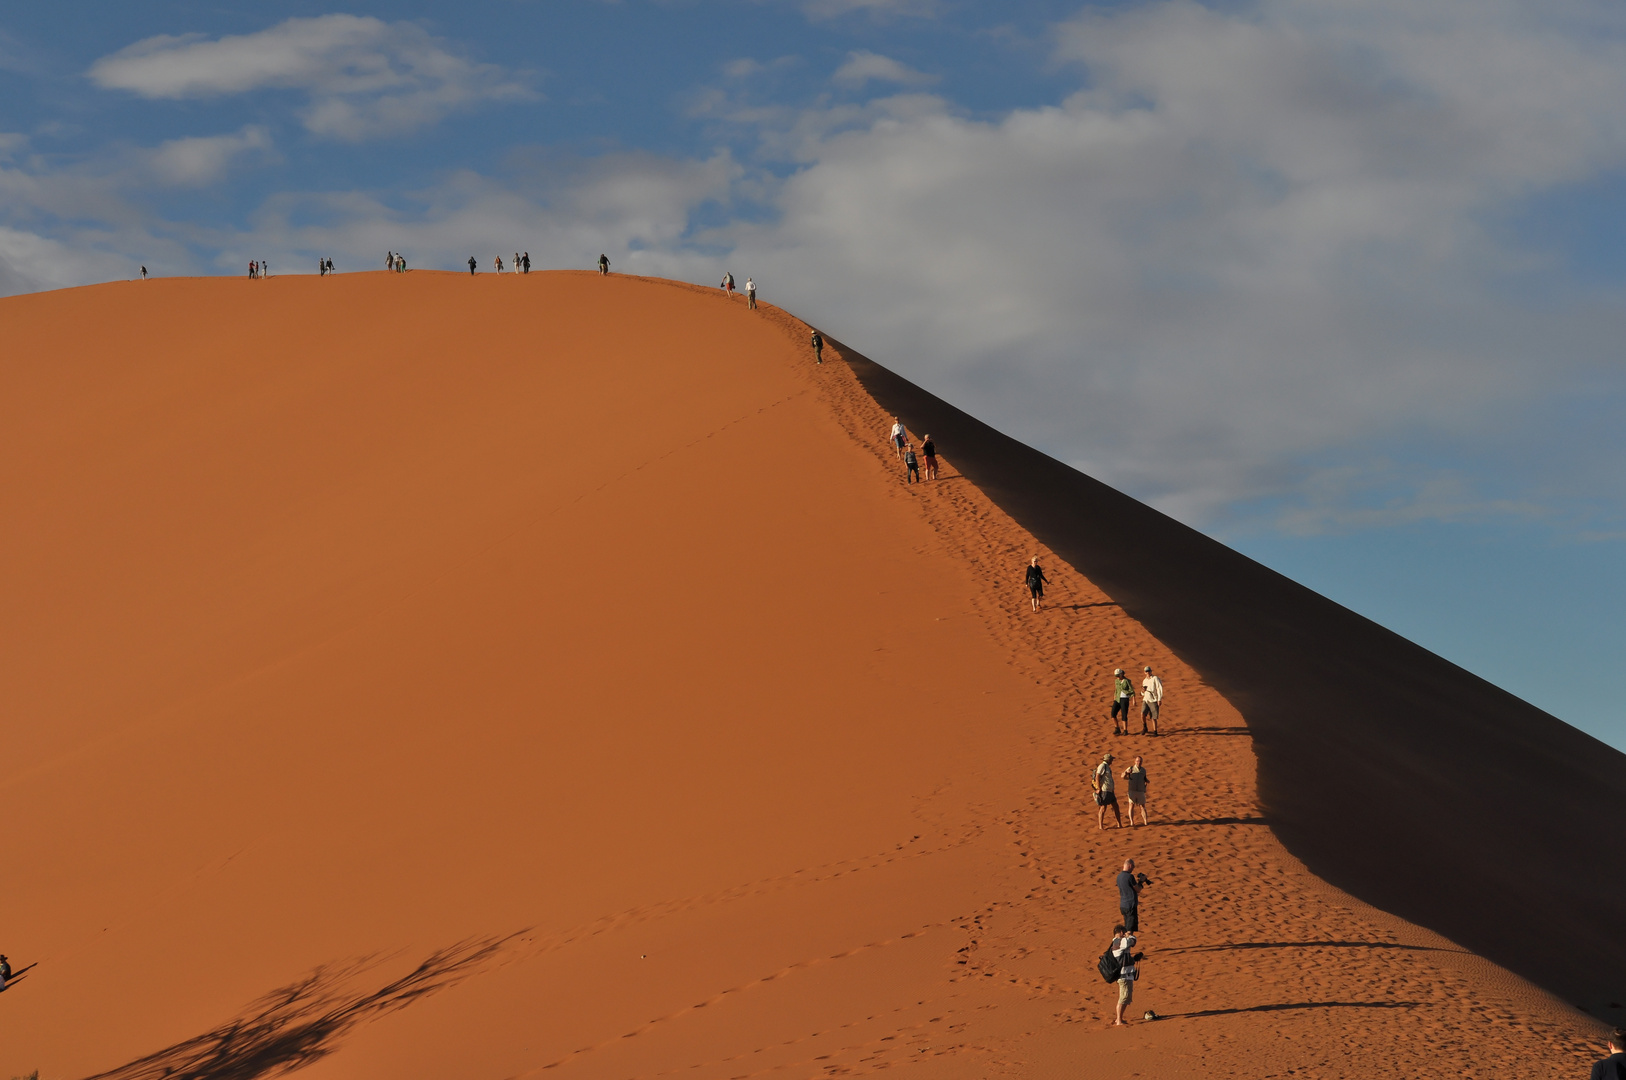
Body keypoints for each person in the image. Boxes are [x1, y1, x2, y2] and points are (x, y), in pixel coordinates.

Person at [1110, 925, 1140, 1026]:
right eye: (1125, 932)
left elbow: (1124, 959)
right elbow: (1131, 942)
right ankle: (1119, 1020)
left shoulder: (1118, 943)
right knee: (1123, 998)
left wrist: (1134, 959)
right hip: (1124, 976)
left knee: (1125, 997)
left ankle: (1119, 1019)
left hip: (1126, 975)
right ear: (1122, 932)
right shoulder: (1118, 942)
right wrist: (1130, 935)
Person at [1091, 753, 1122, 830]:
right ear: (1108, 760)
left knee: (1116, 806)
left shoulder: (1107, 767)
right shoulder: (1102, 766)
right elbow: (1097, 776)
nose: (1112, 761)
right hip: (1105, 790)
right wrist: (1098, 788)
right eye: (1111, 759)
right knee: (1103, 807)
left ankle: (1119, 824)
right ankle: (1101, 826)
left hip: (1110, 791)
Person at [1117, 858, 1144, 931]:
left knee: (1127, 926)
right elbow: (1138, 889)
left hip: (1123, 905)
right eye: (1133, 867)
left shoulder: (1119, 877)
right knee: (1129, 930)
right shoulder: (1130, 876)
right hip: (1130, 906)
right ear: (1130, 865)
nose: (1133, 869)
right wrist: (1141, 882)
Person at [1123, 754, 1149, 826]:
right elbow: (1122, 776)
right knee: (1131, 805)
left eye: (1140, 761)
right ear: (1135, 761)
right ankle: (1132, 822)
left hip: (1140, 790)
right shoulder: (1130, 768)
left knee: (1142, 806)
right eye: (1137, 761)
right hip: (1132, 790)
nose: (1139, 762)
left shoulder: (1143, 770)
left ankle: (1145, 821)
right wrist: (1126, 772)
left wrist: (1146, 783)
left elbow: (1144, 778)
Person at [1111, 669, 1136, 735]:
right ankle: (1117, 728)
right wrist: (1114, 696)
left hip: (1125, 699)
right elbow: (1116, 689)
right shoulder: (1116, 681)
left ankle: (1125, 730)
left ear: (1121, 674)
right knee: (1113, 714)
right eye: (1116, 676)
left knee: (1124, 714)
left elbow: (1132, 690)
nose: (1118, 677)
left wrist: (1133, 699)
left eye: (1118, 675)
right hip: (1118, 699)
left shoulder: (1127, 681)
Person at [1140, 666, 1163, 735]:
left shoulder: (1155, 678)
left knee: (1153, 717)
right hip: (1146, 699)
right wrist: (1142, 691)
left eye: (1149, 671)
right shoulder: (1144, 680)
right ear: (1144, 672)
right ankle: (1145, 727)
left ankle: (1155, 731)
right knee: (1142, 714)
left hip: (1153, 700)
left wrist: (1159, 699)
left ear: (1151, 671)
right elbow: (1142, 692)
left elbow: (1159, 688)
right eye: (1146, 671)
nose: (1148, 672)